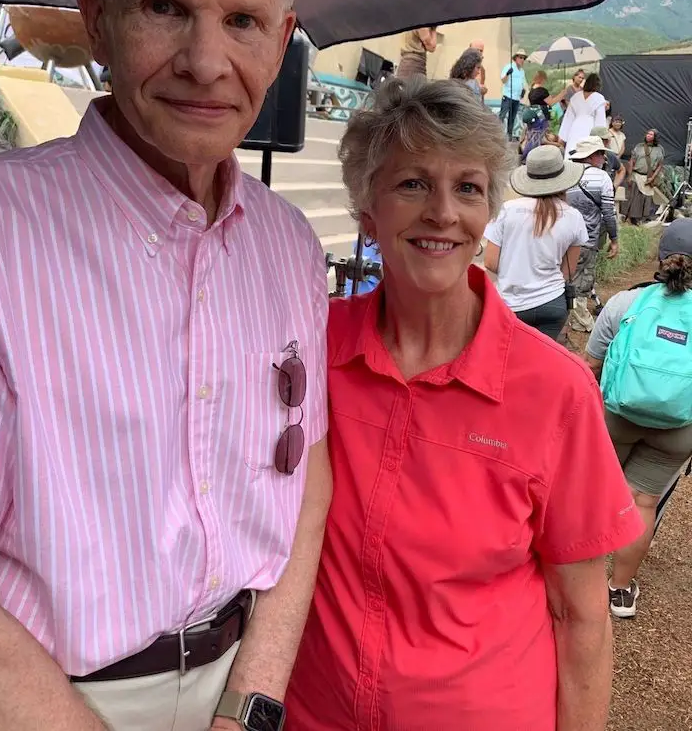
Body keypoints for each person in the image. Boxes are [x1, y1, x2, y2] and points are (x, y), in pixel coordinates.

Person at [0, 0, 332, 731]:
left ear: (280, 42)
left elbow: (302, 476)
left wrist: (252, 701)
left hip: (235, 684)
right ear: (96, 15)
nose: (207, 63)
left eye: (242, 21)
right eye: (165, 8)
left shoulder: (288, 245)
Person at [284, 77, 644, 731]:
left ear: (487, 214)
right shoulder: (314, 348)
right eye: (413, 184)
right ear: (367, 212)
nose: (443, 212)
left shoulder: (554, 389)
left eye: (468, 187)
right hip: (315, 714)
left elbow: (581, 613)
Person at [585, 219, 692, 619]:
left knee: (595, 492)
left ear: (661, 257)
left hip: (618, 414)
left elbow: (591, 363)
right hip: (678, 429)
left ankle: (580, 575)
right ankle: (619, 591)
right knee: (642, 502)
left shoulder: (626, 304)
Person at [484, 146, 588, 340]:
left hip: (510, 304)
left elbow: (490, 262)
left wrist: (516, 270)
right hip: (552, 303)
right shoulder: (574, 217)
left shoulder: (507, 210)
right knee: (542, 365)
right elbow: (568, 270)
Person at [566, 136, 619, 332]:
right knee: (583, 279)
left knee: (563, 274)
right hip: (587, 238)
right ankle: (579, 320)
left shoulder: (566, 173)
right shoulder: (602, 177)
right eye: (601, 154)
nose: (604, 158)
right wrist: (614, 239)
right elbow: (608, 213)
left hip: (562, 237)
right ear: (592, 156)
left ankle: (567, 313)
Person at [622, 129, 666, 225]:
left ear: (655, 137)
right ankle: (629, 218)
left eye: (651, 134)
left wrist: (653, 177)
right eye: (648, 133)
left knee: (645, 199)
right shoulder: (639, 147)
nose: (648, 135)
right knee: (633, 198)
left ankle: (640, 219)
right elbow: (632, 161)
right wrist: (629, 175)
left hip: (648, 178)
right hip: (636, 175)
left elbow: (659, 165)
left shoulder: (660, 149)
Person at [559, 72, 607, 156]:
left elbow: (568, 118)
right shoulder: (599, 98)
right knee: (586, 154)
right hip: (589, 128)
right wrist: (601, 138)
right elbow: (600, 121)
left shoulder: (575, 97)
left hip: (574, 128)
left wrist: (563, 137)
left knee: (572, 150)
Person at [498, 48, 527, 138]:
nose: (522, 60)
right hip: (508, 96)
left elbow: (523, 83)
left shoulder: (522, 71)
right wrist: (507, 74)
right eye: (521, 57)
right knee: (502, 115)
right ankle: (497, 133)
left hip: (516, 97)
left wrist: (523, 90)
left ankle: (509, 135)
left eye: (524, 58)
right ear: (516, 58)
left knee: (512, 117)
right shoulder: (509, 67)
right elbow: (503, 80)